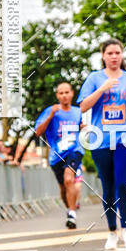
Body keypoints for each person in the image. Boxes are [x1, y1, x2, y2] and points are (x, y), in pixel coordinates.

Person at [78, 38, 126, 249]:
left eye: (117, 53)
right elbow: (83, 106)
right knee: (107, 187)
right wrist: (102, 89)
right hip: (101, 139)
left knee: (123, 183)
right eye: (110, 53)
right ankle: (112, 231)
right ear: (103, 56)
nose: (114, 56)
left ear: (122, 55)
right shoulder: (94, 78)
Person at [35, 82, 83, 230]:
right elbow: (38, 132)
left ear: (72, 93)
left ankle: (72, 214)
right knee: (63, 188)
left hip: (74, 150)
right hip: (56, 155)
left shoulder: (78, 112)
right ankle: (70, 209)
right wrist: (50, 116)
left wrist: (83, 128)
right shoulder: (50, 111)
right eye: (61, 93)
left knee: (69, 179)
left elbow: (81, 127)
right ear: (57, 95)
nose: (64, 96)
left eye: (66, 92)